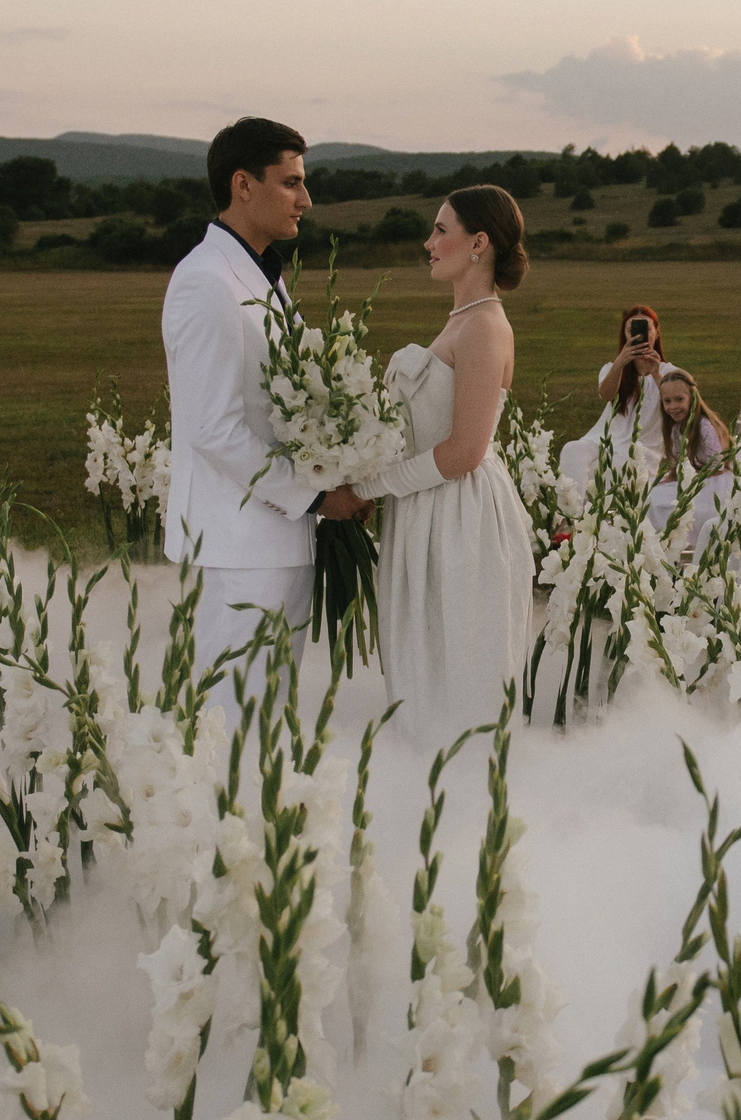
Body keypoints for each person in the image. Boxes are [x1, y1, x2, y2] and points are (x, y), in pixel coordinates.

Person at [162, 117, 370, 725]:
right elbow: (214, 428)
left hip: (276, 539)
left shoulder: (263, 275)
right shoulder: (205, 282)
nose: (306, 200)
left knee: (273, 712)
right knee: (234, 719)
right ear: (242, 185)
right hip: (237, 546)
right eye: (292, 183)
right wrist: (313, 496)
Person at [350, 185, 537, 747]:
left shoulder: (484, 326)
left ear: (478, 243)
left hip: (462, 520)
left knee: (459, 666)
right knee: (420, 659)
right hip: (424, 511)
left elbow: (464, 452)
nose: (428, 242)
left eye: (440, 230)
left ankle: (469, 797)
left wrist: (370, 485)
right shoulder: (460, 320)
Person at [557, 308, 666, 490]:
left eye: (646, 329)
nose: (639, 335)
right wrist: (620, 364)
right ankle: (571, 515)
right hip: (601, 442)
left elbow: (676, 405)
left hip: (640, 453)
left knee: (598, 471)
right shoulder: (612, 368)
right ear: (625, 335)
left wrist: (655, 373)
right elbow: (607, 394)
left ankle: (577, 516)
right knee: (571, 450)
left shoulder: (670, 373)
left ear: (657, 331)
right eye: (632, 331)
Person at [647, 365, 734, 548]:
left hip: (712, 482)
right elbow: (679, 462)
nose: (673, 407)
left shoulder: (704, 426)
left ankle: (678, 544)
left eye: (679, 399)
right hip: (693, 477)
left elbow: (716, 464)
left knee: (661, 501)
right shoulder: (675, 429)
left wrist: (687, 478)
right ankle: (662, 545)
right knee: (649, 491)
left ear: (692, 398)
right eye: (667, 401)